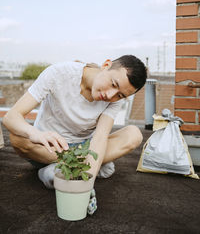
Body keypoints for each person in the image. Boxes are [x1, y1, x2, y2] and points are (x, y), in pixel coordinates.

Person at [3, 55, 147, 189]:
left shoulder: (114, 100)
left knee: (134, 134)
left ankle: (59, 171)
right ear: (106, 65)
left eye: (120, 95)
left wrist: (87, 186)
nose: (110, 95)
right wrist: (35, 134)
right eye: (114, 84)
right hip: (49, 149)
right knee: (17, 138)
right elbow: (11, 117)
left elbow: (100, 138)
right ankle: (87, 166)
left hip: (84, 148)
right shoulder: (58, 73)